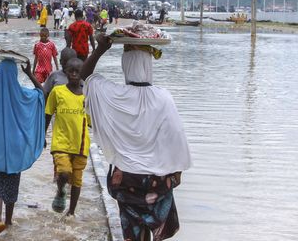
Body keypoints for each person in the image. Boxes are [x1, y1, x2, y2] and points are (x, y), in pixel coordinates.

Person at [81, 36, 192, 241]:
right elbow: (175, 136)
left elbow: (85, 75)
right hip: (157, 181)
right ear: (149, 65)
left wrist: (101, 49)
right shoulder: (163, 97)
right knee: (155, 231)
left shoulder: (112, 94)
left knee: (133, 235)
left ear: (125, 65)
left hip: (126, 179)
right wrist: (176, 173)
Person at [0, 59, 45, 238]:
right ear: (15, 75)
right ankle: (8, 221)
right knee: (12, 183)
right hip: (17, 147)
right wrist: (30, 74)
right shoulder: (22, 95)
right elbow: (41, 93)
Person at [45, 58, 90, 216]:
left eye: (77, 71)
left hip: (80, 144)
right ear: (65, 72)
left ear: (82, 73)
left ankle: (71, 212)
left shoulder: (87, 96)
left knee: (77, 180)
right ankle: (60, 189)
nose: (74, 73)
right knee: (64, 173)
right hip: (61, 142)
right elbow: (48, 114)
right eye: (71, 70)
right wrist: (42, 135)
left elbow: (92, 122)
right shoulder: (58, 92)